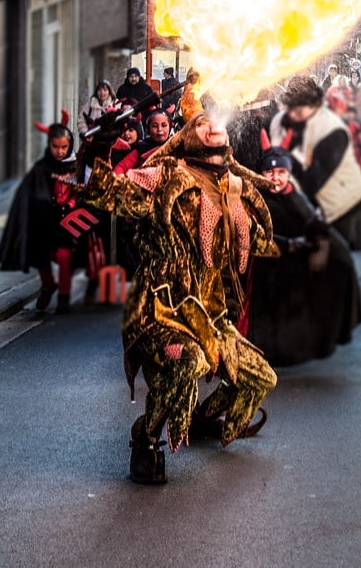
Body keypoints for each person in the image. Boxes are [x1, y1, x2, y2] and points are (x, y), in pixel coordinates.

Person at [81, 92, 280, 485]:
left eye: (215, 121)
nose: (212, 124)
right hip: (161, 310)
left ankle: (202, 419)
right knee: (188, 361)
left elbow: (259, 241)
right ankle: (146, 439)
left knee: (260, 377)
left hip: (209, 315)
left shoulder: (233, 187)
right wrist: (99, 149)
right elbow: (110, 194)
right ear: (187, 137)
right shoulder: (167, 176)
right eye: (201, 123)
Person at [243, 133, 361, 364]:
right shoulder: (254, 198)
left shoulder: (295, 197)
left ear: (288, 174)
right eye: (269, 172)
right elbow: (251, 234)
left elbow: (314, 225)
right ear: (261, 173)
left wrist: (323, 242)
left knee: (339, 265)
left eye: (281, 172)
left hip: (293, 263)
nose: (275, 178)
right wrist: (287, 245)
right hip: (264, 265)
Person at [0, 112, 93, 314]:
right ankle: (48, 286)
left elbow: (81, 191)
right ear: (49, 145)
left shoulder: (75, 166)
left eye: (64, 147)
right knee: (41, 256)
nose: (59, 151)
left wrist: (71, 205)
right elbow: (30, 195)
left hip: (68, 221)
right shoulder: (41, 168)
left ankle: (64, 295)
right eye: (55, 147)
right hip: (44, 221)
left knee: (64, 256)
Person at [269, 76, 361, 250]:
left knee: (331, 254)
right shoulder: (283, 120)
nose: (292, 114)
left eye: (298, 110)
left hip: (338, 203)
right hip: (304, 198)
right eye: (290, 107)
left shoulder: (332, 130)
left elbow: (312, 180)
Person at [112, 107, 173, 173]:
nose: (159, 129)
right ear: (149, 128)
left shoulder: (176, 145)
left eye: (164, 125)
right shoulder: (142, 147)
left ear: (169, 127)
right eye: (154, 126)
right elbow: (122, 166)